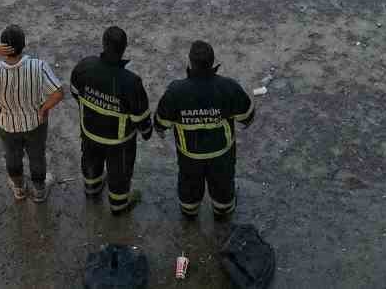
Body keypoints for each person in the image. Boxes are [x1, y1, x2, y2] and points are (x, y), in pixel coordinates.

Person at [154, 41, 254, 221]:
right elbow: (247, 116)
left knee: (189, 186)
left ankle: (189, 213)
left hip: (189, 154)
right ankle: (222, 214)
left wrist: (160, 129)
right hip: (221, 153)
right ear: (213, 62)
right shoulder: (228, 86)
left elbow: (161, 122)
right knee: (223, 186)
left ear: (190, 62)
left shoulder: (176, 91)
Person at [0, 25, 65, 203]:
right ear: (24, 45)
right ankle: (39, 191)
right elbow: (58, 93)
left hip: (7, 125)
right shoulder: (38, 66)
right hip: (35, 123)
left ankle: (19, 189)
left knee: (12, 156)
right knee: (37, 156)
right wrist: (44, 109)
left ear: (3, 48)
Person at [67, 26, 153, 215]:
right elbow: (141, 117)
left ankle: (92, 190)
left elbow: (74, 92)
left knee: (91, 162)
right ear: (124, 48)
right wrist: (147, 133)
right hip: (119, 142)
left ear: (104, 44)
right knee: (119, 175)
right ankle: (119, 206)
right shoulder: (130, 82)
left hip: (89, 132)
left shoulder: (85, 66)